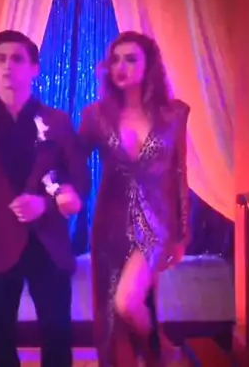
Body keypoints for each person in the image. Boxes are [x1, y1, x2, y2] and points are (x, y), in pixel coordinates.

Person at [0, 30, 88, 367]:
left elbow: (79, 180)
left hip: (48, 245)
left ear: (34, 69)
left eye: (17, 59)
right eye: (1, 59)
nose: (8, 66)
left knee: (58, 343)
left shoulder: (56, 121)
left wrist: (47, 203)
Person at [77, 31, 191, 366]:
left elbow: (180, 172)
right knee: (112, 316)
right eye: (115, 60)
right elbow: (72, 161)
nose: (121, 66)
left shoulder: (174, 114)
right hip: (110, 224)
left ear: (148, 65)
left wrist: (183, 234)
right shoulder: (96, 116)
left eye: (130, 59)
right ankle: (153, 352)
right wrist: (56, 186)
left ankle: (158, 346)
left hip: (157, 222)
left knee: (126, 302)